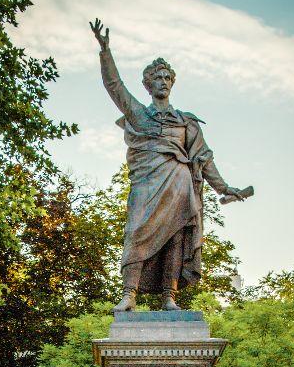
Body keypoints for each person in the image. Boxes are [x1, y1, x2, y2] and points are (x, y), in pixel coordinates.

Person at [90, 19, 245, 312]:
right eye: (157, 77)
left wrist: (225, 188)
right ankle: (129, 294)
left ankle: (168, 297)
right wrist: (105, 51)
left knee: (175, 237)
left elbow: (204, 157)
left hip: (180, 184)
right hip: (148, 184)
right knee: (136, 230)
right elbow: (114, 86)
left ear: (172, 83)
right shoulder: (140, 115)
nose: (163, 81)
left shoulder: (186, 121)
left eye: (167, 77)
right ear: (148, 85)